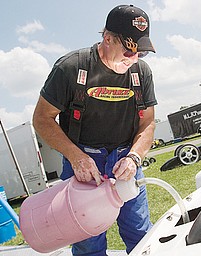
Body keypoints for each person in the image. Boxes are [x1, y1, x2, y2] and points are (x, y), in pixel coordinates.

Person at [32, 4, 157, 256]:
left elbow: (148, 124)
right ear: (107, 38)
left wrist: (134, 158)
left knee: (142, 236)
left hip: (126, 160)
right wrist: (76, 157)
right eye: (128, 50)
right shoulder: (70, 68)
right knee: (88, 242)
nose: (133, 60)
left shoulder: (141, 73)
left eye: (140, 53)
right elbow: (42, 119)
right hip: (83, 163)